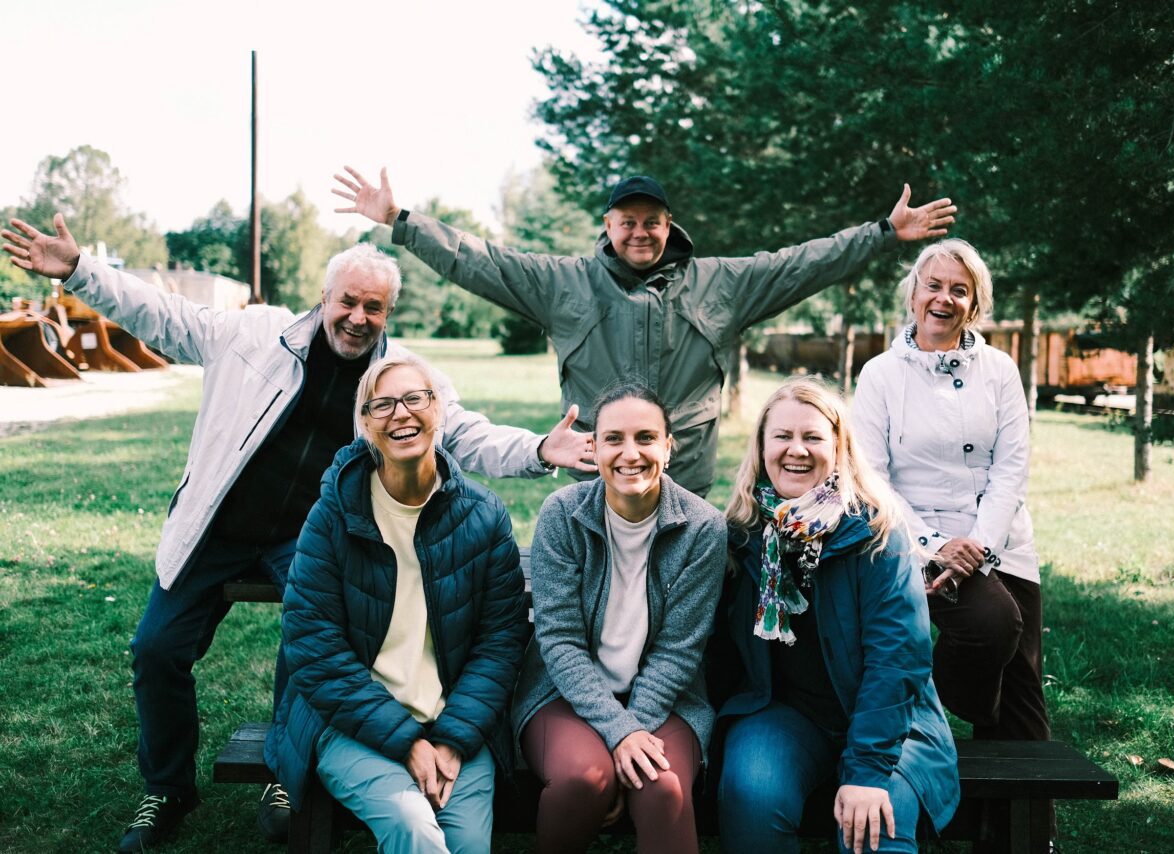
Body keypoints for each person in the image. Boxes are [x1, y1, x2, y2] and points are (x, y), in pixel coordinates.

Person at [1, 215, 593, 852]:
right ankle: (167, 788)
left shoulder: (399, 375)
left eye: (374, 306)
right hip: (217, 526)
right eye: (348, 301)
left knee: (311, 634)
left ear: (388, 312)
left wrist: (539, 447)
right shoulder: (255, 335)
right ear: (325, 297)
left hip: (307, 532)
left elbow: (466, 433)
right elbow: (165, 316)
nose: (358, 317)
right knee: (156, 649)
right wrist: (81, 270)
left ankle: (286, 773)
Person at [333, 166, 957, 496]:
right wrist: (399, 221)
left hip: (685, 480)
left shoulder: (720, 283)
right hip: (594, 479)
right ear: (608, 226)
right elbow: (480, 260)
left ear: (669, 225)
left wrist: (880, 234)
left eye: (652, 221)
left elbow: (800, 264)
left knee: (685, 607)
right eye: (627, 221)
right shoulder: (563, 283)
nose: (640, 232)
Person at [267, 352, 528, 853]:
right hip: (350, 722)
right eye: (382, 405)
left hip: (456, 723)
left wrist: (452, 739)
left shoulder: (484, 516)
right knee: (413, 827)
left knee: (469, 844)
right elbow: (313, 649)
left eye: (415, 398)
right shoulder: (332, 516)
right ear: (364, 426)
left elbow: (500, 643)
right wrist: (406, 742)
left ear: (441, 412)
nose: (401, 414)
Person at [714, 377, 959, 854]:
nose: (796, 450)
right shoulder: (743, 534)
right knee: (751, 794)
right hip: (786, 714)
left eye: (812, 437)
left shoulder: (877, 532)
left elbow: (899, 659)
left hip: (891, 723)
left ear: (839, 446)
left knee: (875, 829)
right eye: (782, 436)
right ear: (762, 446)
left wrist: (867, 770)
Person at [851, 239, 1052, 749]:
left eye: (959, 290)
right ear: (913, 294)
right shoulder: (879, 374)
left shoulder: (1000, 370)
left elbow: (1011, 469)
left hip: (999, 538)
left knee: (1022, 690)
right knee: (991, 624)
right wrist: (936, 545)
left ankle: (1020, 828)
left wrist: (978, 546)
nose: (944, 299)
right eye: (933, 285)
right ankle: (941, 699)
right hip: (909, 538)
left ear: (974, 304)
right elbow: (871, 477)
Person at [511, 381, 727, 854]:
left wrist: (631, 729)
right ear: (594, 447)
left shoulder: (702, 527)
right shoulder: (562, 515)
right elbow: (560, 641)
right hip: (564, 693)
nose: (631, 453)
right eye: (614, 438)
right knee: (583, 779)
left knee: (662, 787)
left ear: (669, 448)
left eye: (646, 438)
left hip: (666, 700)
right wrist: (618, 731)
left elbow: (678, 650)